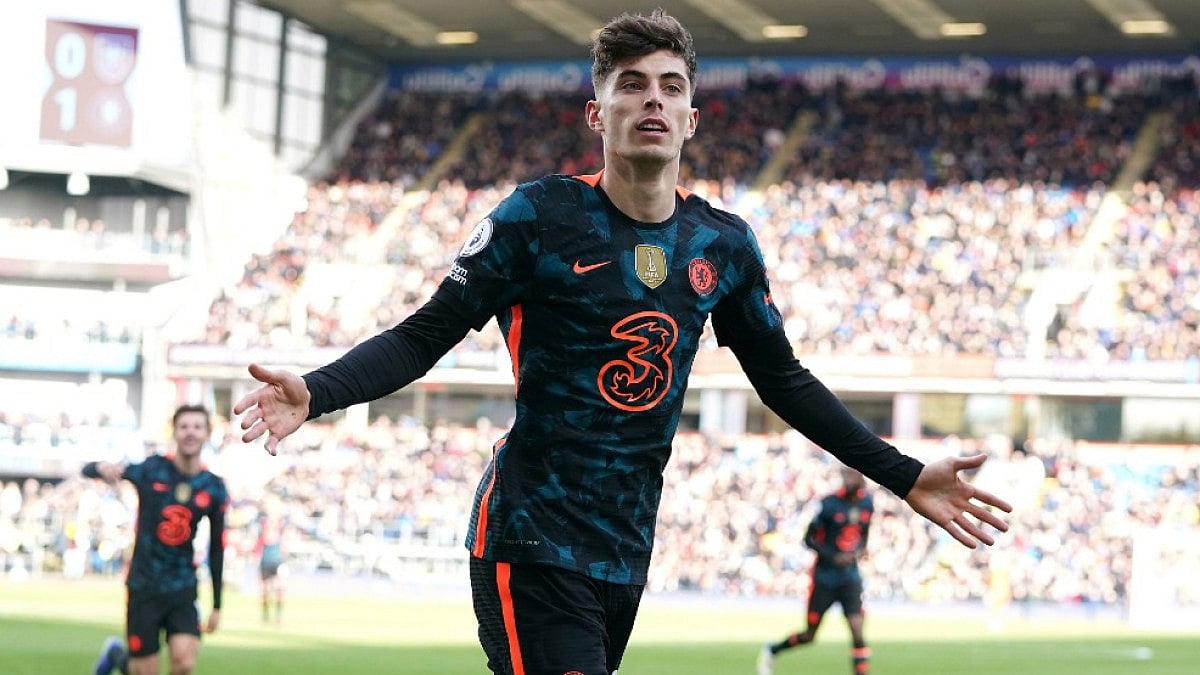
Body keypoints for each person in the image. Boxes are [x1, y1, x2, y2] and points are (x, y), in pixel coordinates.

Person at [233, 9, 1013, 675]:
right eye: (632, 84)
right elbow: (424, 335)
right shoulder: (536, 217)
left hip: (625, 551)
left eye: (672, 87)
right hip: (528, 536)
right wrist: (320, 389)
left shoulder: (723, 246)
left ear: (691, 119)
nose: (654, 100)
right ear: (596, 112)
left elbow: (787, 383)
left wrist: (905, 474)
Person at [86, 404, 229, 675]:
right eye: (184, 426)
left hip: (183, 587)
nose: (190, 432)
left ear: (207, 434)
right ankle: (118, 657)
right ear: (174, 432)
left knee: (184, 663)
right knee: (145, 672)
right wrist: (99, 466)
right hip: (145, 585)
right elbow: (89, 470)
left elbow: (217, 549)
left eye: (197, 427)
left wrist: (217, 604)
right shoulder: (151, 470)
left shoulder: (213, 487)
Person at [757, 467, 875, 675]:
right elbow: (808, 539)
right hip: (825, 578)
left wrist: (860, 550)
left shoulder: (867, 503)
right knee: (810, 635)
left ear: (860, 477)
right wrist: (833, 556)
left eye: (851, 475)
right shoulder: (828, 504)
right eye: (844, 475)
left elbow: (863, 533)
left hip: (850, 577)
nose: (847, 480)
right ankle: (773, 649)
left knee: (857, 629)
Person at [255, 509, 288, 624]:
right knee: (265, 591)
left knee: (279, 588)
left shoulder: (280, 533)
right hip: (265, 563)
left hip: (277, 562)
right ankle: (265, 616)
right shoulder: (262, 532)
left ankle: (278, 616)